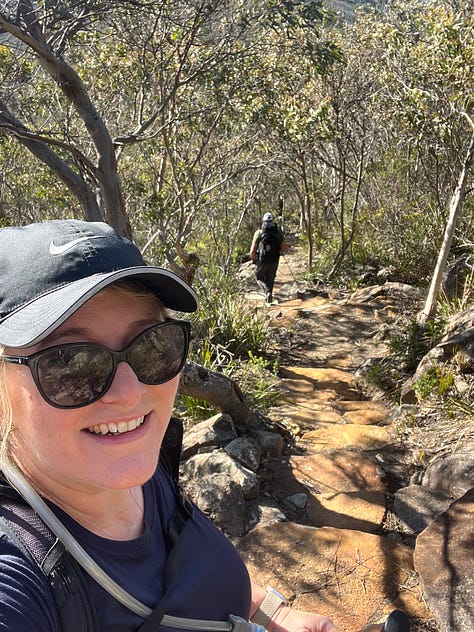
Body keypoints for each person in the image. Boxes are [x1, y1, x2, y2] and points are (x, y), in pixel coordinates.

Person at [0, 219, 335, 632]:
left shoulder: (142, 460)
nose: (129, 392)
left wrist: (271, 612)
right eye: (69, 363)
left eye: (152, 346)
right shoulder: (18, 573)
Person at [249, 213, 288, 304]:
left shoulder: (259, 233)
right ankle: (269, 294)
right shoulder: (278, 232)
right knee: (271, 278)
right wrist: (278, 250)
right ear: (272, 221)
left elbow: (252, 250)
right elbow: (284, 247)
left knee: (258, 277)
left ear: (263, 221)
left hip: (262, 260)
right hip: (274, 259)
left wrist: (253, 259)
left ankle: (267, 293)